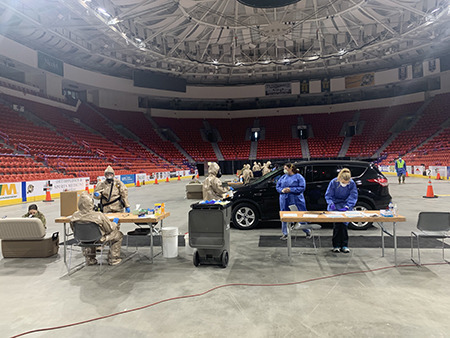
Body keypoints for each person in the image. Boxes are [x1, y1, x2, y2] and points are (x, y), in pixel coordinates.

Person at [70, 191, 123, 265]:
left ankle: (90, 259)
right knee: (118, 235)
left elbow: (73, 229)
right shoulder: (98, 215)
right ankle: (113, 259)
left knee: (88, 235)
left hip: (82, 239)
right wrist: (114, 223)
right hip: (99, 239)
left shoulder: (74, 216)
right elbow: (109, 229)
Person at [325, 168, 358, 253]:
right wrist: (331, 203)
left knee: (344, 226)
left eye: (346, 183)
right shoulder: (333, 182)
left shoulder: (351, 183)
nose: (344, 184)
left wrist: (348, 206)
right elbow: (329, 195)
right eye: (343, 182)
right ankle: (336, 245)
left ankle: (344, 245)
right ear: (340, 178)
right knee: (337, 225)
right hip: (335, 205)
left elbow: (353, 196)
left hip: (345, 205)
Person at [276, 163, 311, 240]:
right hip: (284, 199)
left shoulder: (298, 177)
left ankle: (307, 231)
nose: (284, 170)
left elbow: (302, 187)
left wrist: (291, 190)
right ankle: (285, 233)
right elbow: (277, 186)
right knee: (285, 216)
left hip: (296, 199)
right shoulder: (283, 177)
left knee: (300, 216)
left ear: (291, 168)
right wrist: (282, 190)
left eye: (286, 168)